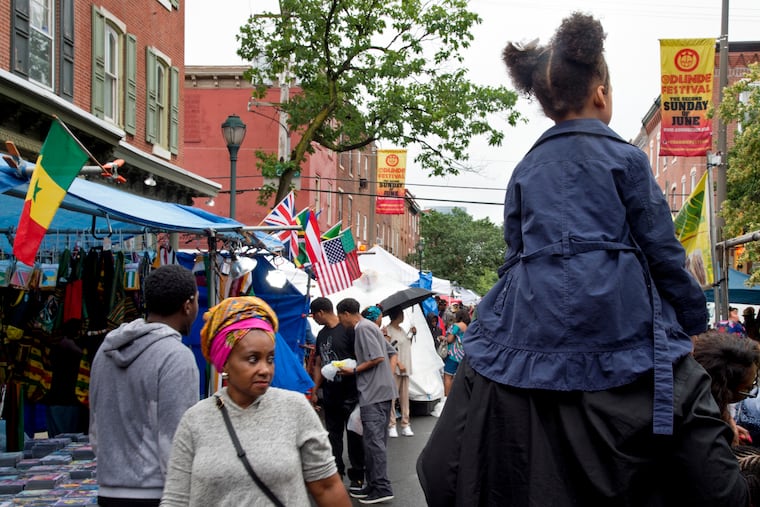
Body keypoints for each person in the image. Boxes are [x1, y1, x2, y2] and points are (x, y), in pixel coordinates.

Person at [417, 13, 753, 506]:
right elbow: (662, 250)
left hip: (527, 314)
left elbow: (515, 253)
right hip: (620, 315)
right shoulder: (628, 159)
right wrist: (690, 317)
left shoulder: (526, 167)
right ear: (601, 92)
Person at [161, 296, 350, 507]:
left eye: (270, 359)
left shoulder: (295, 409)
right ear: (224, 362)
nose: (265, 369)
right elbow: (176, 499)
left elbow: (327, 487)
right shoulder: (194, 420)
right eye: (252, 359)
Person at [90, 264, 200, 507]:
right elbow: (176, 441)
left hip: (108, 489)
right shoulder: (176, 356)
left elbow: (96, 428)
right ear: (188, 304)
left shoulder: (106, 350)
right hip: (158, 494)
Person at [337, 298, 396, 504]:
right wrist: (388, 376)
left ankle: (381, 487)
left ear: (345, 313)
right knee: (374, 441)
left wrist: (353, 369)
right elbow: (390, 352)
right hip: (380, 390)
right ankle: (373, 485)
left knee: (373, 443)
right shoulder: (371, 327)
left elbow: (378, 357)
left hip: (374, 393)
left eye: (339, 316)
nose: (340, 321)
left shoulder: (362, 328)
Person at [309, 297, 366, 493]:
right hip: (331, 393)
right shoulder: (321, 335)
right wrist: (315, 389)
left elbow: (362, 358)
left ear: (320, 313)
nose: (314, 319)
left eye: (313, 315)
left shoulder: (348, 330)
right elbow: (318, 362)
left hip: (351, 393)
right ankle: (336, 473)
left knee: (354, 436)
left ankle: (358, 476)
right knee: (333, 436)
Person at [693, 329, 760, 445]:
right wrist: (729, 444)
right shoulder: (700, 428)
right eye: (748, 389)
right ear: (724, 392)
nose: (752, 392)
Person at [385, 307, 416, 438]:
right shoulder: (388, 330)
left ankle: (405, 423)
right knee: (392, 397)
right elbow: (388, 349)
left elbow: (405, 345)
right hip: (396, 367)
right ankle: (391, 424)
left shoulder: (401, 330)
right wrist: (398, 363)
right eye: (401, 314)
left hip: (406, 366)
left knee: (404, 397)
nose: (403, 316)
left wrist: (411, 333)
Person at [443, 308, 469, 398]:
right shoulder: (468, 327)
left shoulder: (456, 326)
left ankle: (447, 398)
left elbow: (450, 339)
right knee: (458, 377)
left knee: (448, 376)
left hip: (454, 354)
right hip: (464, 355)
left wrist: (443, 338)